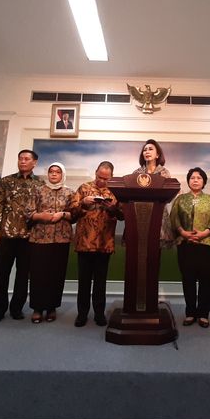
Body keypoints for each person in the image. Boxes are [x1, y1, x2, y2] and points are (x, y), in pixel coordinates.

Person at [0, 149, 44, 323]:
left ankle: (17, 308)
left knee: (22, 276)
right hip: (6, 235)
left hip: (28, 237)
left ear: (34, 162)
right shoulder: (6, 182)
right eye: (20, 159)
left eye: (27, 159)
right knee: (2, 274)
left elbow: (41, 211)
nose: (23, 162)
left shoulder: (40, 184)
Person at [69, 161, 123, 327]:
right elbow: (72, 212)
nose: (102, 181)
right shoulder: (84, 188)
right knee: (83, 282)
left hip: (104, 243)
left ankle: (99, 314)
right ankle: (82, 314)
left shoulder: (115, 192)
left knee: (100, 282)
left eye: (106, 178)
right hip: (84, 242)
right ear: (95, 172)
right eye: (100, 177)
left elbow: (122, 215)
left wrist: (112, 208)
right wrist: (83, 202)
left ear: (111, 177)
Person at [170, 167, 210, 328]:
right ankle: (190, 313)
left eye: (199, 178)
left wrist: (203, 234)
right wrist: (183, 232)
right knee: (188, 279)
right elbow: (174, 218)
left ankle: (203, 314)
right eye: (192, 178)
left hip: (206, 245)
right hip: (185, 244)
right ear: (188, 181)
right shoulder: (180, 199)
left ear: (204, 182)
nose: (195, 180)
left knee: (205, 280)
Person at [26, 162, 74, 323]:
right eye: (51, 172)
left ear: (62, 175)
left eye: (57, 172)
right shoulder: (38, 190)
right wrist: (41, 216)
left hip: (61, 238)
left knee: (56, 274)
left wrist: (63, 214)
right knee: (39, 274)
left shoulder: (69, 193)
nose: (54, 174)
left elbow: (75, 214)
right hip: (40, 238)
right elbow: (28, 212)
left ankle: (52, 307)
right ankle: (37, 308)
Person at [133, 139, 175, 246]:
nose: (147, 152)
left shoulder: (164, 172)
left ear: (157, 155)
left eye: (150, 149)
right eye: (145, 150)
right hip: (140, 212)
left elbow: (167, 194)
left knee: (155, 252)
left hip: (158, 213)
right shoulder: (136, 173)